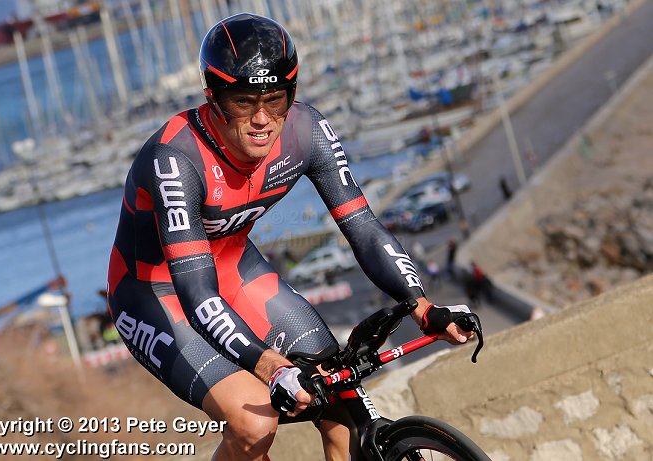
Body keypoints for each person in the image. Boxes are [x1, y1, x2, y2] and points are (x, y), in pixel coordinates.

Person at [106, 13, 476, 461]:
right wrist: (271, 366)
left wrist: (422, 306)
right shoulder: (175, 159)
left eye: (275, 100)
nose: (262, 119)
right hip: (155, 291)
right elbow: (196, 292)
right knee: (254, 424)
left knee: (341, 396)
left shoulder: (307, 132)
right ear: (213, 97)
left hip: (235, 270)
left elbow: (362, 226)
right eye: (244, 102)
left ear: (291, 95)